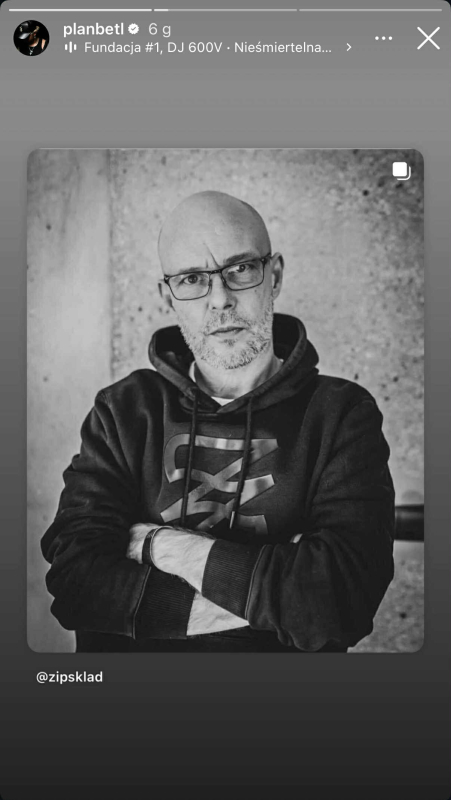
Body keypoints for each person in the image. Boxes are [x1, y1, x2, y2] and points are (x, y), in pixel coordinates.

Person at [41, 190, 395, 653]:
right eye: (192, 279)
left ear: (274, 276)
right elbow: (76, 584)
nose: (221, 299)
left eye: (241, 269)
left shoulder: (341, 414)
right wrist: (277, 599)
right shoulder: (124, 411)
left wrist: (158, 547)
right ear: (168, 296)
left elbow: (341, 601)